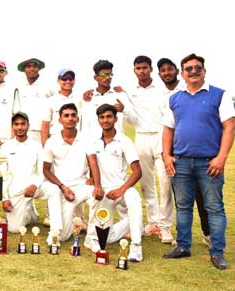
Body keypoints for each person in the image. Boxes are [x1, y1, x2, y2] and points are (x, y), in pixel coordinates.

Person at [162, 53, 234, 270]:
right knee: (183, 207)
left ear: (204, 71)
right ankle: (183, 246)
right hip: (181, 161)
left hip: (209, 163)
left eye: (197, 68)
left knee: (214, 207)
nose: (193, 72)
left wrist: (221, 158)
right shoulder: (174, 98)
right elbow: (168, 128)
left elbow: (229, 127)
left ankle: (217, 251)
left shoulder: (219, 95)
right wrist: (166, 155)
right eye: (188, 69)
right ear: (182, 74)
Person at [117, 55, 174, 243]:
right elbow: (130, 117)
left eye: (144, 68)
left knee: (165, 184)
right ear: (134, 71)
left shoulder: (162, 90)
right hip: (141, 138)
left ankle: (165, 227)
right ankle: (153, 223)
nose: (141, 71)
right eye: (138, 68)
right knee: (146, 184)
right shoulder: (129, 91)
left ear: (150, 69)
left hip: (160, 137)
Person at [157, 57, 210, 247]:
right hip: (170, 151)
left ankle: (208, 233)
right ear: (159, 74)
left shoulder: (188, 89)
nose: (167, 73)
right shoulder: (158, 92)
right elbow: (167, 127)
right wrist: (166, 153)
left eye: (169, 69)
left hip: (192, 150)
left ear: (177, 72)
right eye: (163, 70)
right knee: (181, 197)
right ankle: (181, 237)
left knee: (202, 195)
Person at [85, 103, 144, 262]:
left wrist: (121, 190)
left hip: (122, 188)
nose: (105, 120)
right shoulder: (93, 141)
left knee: (134, 200)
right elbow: (93, 163)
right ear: (98, 120)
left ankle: (136, 247)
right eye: (102, 117)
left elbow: (137, 171)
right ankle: (135, 223)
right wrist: (97, 186)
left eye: (109, 116)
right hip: (104, 191)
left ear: (115, 118)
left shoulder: (124, 141)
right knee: (106, 238)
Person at [43, 104, 103, 245]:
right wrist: (63, 187)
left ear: (77, 118)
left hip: (82, 186)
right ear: (60, 120)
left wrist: (98, 185)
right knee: (61, 236)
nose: (70, 118)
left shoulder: (86, 139)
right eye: (66, 115)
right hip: (64, 190)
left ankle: (92, 237)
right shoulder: (52, 141)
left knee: (98, 197)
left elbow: (93, 162)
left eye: (73, 115)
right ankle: (76, 223)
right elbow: (46, 170)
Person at [1, 112, 63, 234]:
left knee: (54, 190)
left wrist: (34, 185)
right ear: (12, 126)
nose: (20, 127)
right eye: (16, 124)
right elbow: (2, 173)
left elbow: (42, 170)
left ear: (28, 125)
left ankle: (56, 230)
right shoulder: (5, 147)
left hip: (35, 186)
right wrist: (5, 198)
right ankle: (29, 212)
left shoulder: (37, 145)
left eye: (23, 124)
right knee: (14, 229)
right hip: (16, 190)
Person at [80, 60, 128, 139]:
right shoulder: (88, 97)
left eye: (109, 75)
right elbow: (85, 124)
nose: (107, 78)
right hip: (94, 144)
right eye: (103, 75)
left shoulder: (120, 95)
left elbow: (133, 120)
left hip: (117, 143)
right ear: (95, 78)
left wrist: (123, 110)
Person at [15, 57, 53, 142]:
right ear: (24, 69)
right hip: (24, 131)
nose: (32, 69)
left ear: (38, 68)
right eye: (28, 66)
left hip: (43, 131)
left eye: (34, 66)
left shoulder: (48, 85)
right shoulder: (20, 87)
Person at [41, 68, 82, 146]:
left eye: (70, 78)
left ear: (74, 81)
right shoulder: (50, 101)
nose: (68, 81)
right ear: (58, 81)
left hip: (77, 142)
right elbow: (45, 127)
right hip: (56, 142)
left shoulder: (81, 100)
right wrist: (45, 149)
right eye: (64, 78)